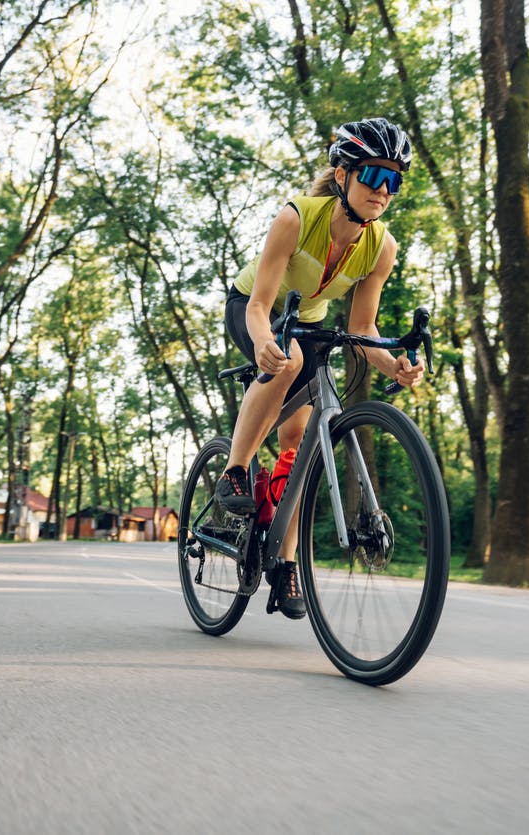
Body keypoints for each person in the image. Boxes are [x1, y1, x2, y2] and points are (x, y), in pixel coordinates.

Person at [215, 117, 425, 620]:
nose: (383, 190)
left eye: (394, 180)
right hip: (252, 307)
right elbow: (259, 306)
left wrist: (394, 365)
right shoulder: (296, 218)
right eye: (373, 176)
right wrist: (265, 343)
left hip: (308, 322)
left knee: (300, 445)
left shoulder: (382, 247)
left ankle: (285, 562)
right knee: (285, 364)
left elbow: (364, 327)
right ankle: (235, 471)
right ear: (343, 174)